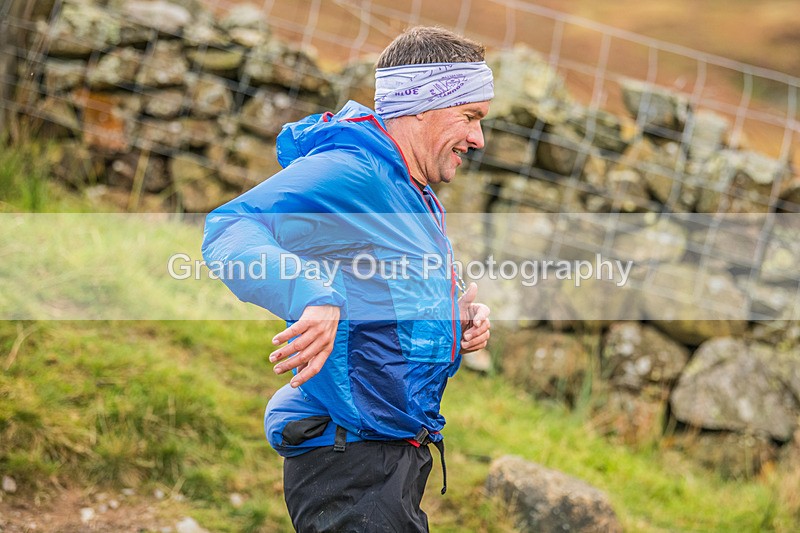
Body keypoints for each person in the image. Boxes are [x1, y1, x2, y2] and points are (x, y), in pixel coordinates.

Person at [202, 25, 493, 532]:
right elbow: (229, 230)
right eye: (469, 117)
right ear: (421, 105)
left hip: (392, 458)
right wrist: (310, 293)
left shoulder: (414, 191)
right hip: (351, 463)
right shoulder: (353, 171)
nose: (478, 138)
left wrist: (453, 323)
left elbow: (381, 294)